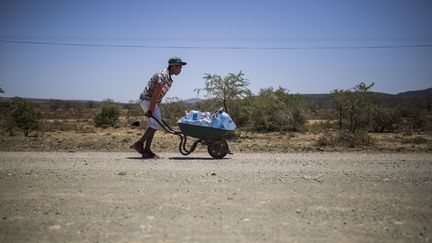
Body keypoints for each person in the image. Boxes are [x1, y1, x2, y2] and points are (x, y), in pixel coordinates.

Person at [130, 57, 187, 158]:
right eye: (179, 66)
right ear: (173, 66)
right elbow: (156, 92)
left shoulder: (168, 76)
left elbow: (159, 94)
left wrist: (155, 106)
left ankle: (147, 150)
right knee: (155, 124)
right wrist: (151, 109)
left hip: (151, 101)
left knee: (153, 125)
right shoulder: (164, 74)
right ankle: (139, 144)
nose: (180, 69)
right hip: (148, 100)